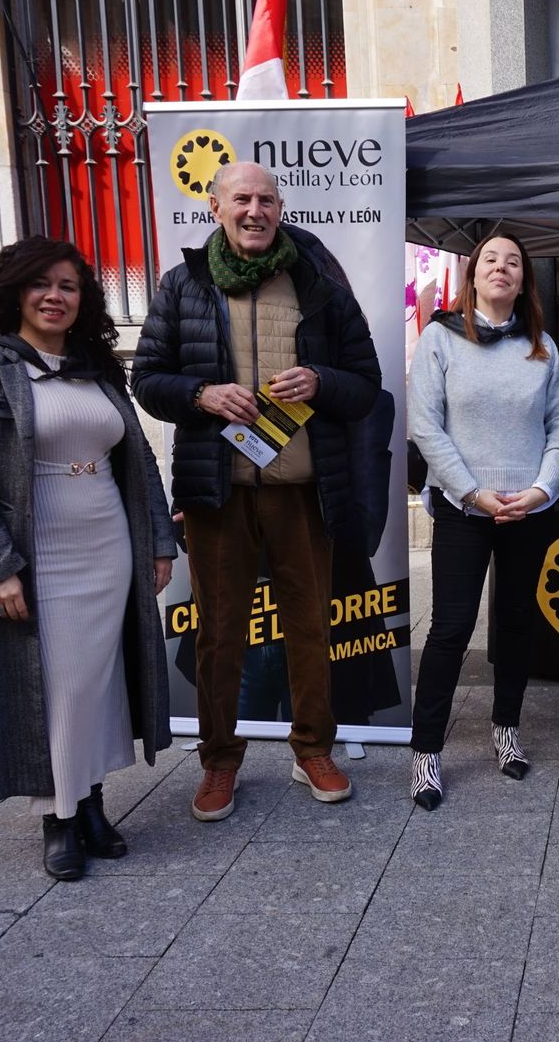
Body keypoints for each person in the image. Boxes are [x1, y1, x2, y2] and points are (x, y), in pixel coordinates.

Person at [133, 161, 381, 822]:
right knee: (219, 634)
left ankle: (313, 749)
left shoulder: (319, 282)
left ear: (280, 207)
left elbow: (366, 384)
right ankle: (220, 761)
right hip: (219, 492)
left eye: (266, 199)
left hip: (303, 490)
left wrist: (322, 382)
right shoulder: (182, 285)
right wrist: (200, 393)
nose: (254, 210)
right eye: (241, 198)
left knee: (308, 625)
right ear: (215, 208)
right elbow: (147, 381)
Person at [0, 236, 175, 880]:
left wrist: (158, 540)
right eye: (41, 284)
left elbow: (140, 462)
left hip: (107, 544)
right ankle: (60, 818)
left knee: (99, 681)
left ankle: (92, 804)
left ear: (83, 299)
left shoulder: (97, 368)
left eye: (68, 286)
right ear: (15, 293)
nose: (54, 296)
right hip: (37, 554)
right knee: (59, 683)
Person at [406, 233, 559, 810]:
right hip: (463, 508)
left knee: (517, 622)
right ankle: (426, 752)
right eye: (491, 261)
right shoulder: (440, 339)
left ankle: (507, 730)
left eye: (514, 263)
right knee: (450, 629)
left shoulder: (541, 348)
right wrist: (473, 493)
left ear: (524, 281)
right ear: (473, 275)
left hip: (527, 508)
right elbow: (426, 428)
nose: (502, 269)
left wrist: (540, 489)